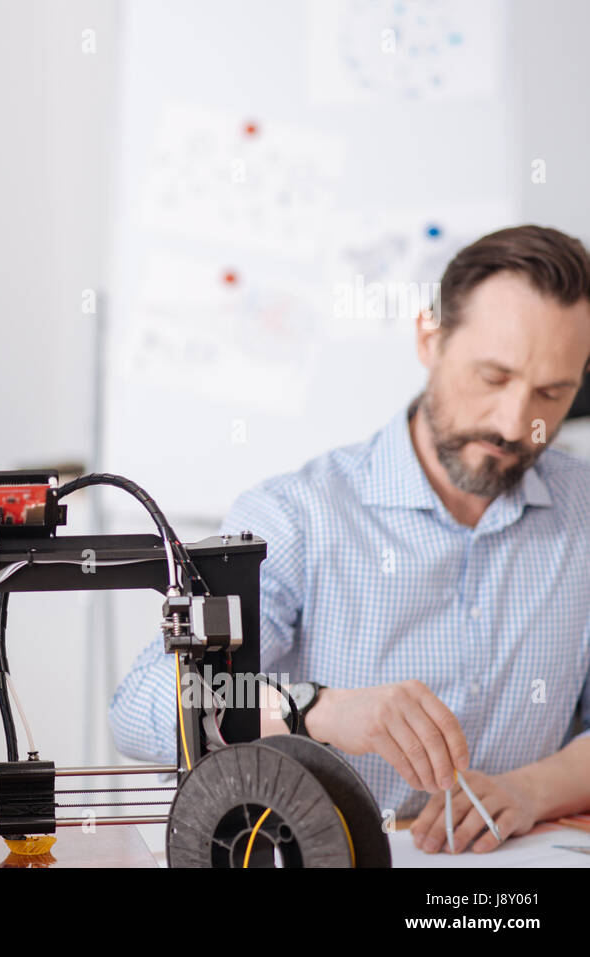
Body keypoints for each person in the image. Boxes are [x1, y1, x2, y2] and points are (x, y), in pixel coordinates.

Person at [110, 224, 590, 855]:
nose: (513, 421)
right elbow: (143, 704)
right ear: (430, 337)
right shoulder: (296, 514)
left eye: (551, 393)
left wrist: (531, 790)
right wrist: (321, 710)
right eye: (492, 377)